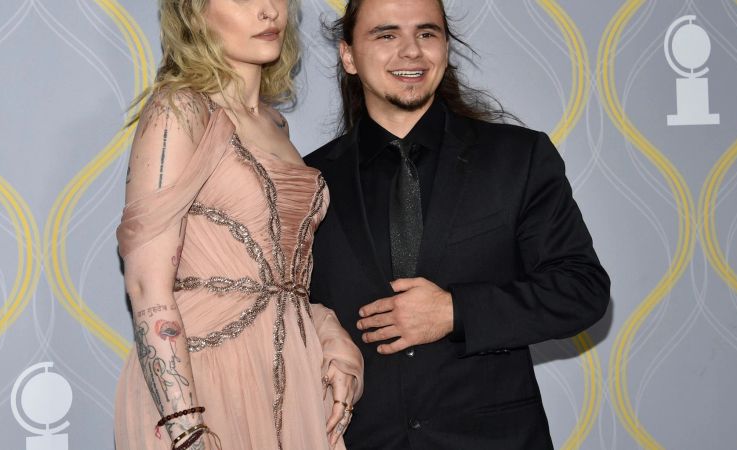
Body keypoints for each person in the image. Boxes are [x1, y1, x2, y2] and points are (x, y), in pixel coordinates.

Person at [304, 0, 610, 448]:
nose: (411, 51)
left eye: (427, 34)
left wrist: (455, 312)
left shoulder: (517, 158)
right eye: (386, 35)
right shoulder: (309, 182)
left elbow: (581, 291)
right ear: (348, 54)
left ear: (445, 49)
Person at [114, 0, 363, 449]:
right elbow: (147, 287)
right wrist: (186, 429)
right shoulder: (179, 110)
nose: (269, 11)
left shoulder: (276, 124)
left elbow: (284, 279)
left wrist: (330, 334)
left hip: (294, 372)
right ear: (194, 12)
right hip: (208, 377)